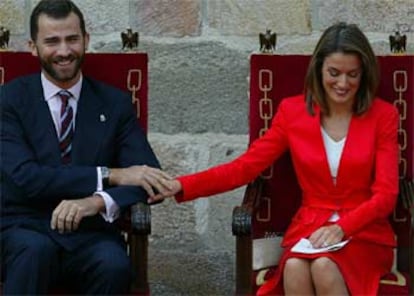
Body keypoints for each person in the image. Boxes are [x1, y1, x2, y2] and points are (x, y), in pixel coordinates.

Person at [118, 22, 399, 295]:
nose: (343, 83)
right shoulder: (293, 112)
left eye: (353, 74)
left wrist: (341, 228)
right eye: (334, 72)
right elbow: (244, 167)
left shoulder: (383, 116)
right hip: (311, 228)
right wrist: (183, 185)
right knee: (294, 270)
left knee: (325, 267)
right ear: (318, 69)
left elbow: (386, 194)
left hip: (364, 233)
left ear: (364, 74)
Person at [0, 0, 171, 294]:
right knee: (35, 253)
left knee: (114, 264)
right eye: (52, 41)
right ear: (33, 46)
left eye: (72, 39)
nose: (64, 51)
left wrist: (95, 202)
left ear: (86, 40)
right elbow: (27, 177)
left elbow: (149, 178)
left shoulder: (114, 104)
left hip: (91, 232)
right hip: (25, 228)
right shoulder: (9, 101)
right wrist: (111, 175)